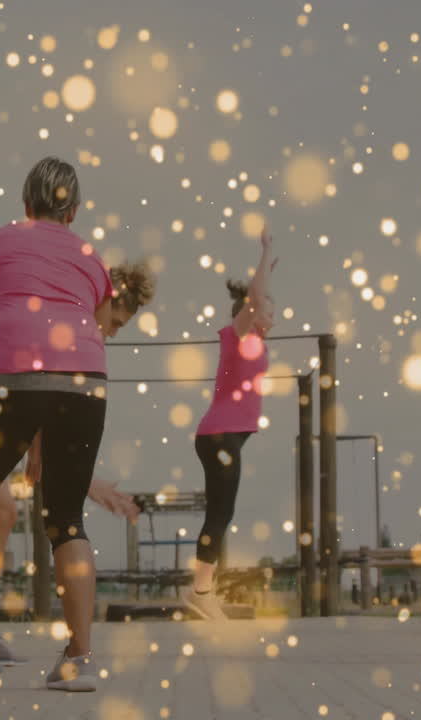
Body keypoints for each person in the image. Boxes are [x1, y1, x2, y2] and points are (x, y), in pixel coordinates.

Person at [0, 156, 151, 692]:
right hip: (86, 385)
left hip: (12, 379)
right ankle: (79, 658)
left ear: (25, 202)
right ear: (74, 210)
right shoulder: (91, 257)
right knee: (66, 519)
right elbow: (96, 334)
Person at [0, 261, 152, 671]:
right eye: (116, 323)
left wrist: (58, 460)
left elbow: (36, 397)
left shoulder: (69, 329)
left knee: (1, 512)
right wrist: (86, 482)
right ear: (102, 304)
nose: (110, 332)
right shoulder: (60, 319)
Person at [184, 229, 278, 621]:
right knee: (220, 513)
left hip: (224, 437)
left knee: (223, 512)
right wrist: (266, 254)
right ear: (249, 310)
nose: (272, 313)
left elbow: (258, 300)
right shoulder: (235, 335)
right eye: (268, 308)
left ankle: (204, 588)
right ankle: (201, 591)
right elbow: (256, 299)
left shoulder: (254, 340)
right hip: (218, 436)